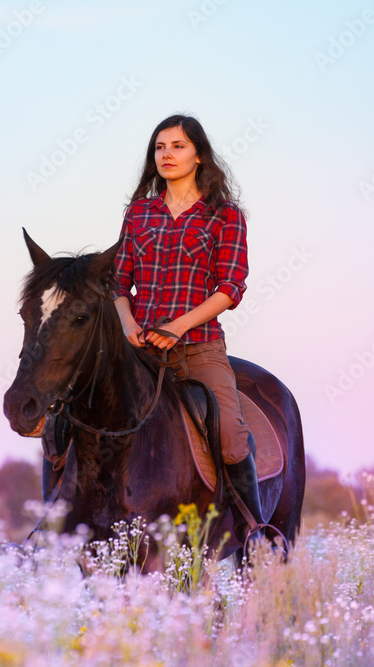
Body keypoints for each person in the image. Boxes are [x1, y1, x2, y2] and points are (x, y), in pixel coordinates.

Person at [112, 114, 265, 546]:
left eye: (178, 146)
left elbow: (230, 286)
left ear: (199, 155)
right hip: (138, 351)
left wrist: (177, 327)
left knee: (231, 439)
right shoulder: (139, 213)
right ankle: (58, 524)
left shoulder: (224, 215)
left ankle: (253, 530)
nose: (167, 155)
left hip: (198, 347)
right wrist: (128, 326)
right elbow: (118, 283)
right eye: (160, 147)